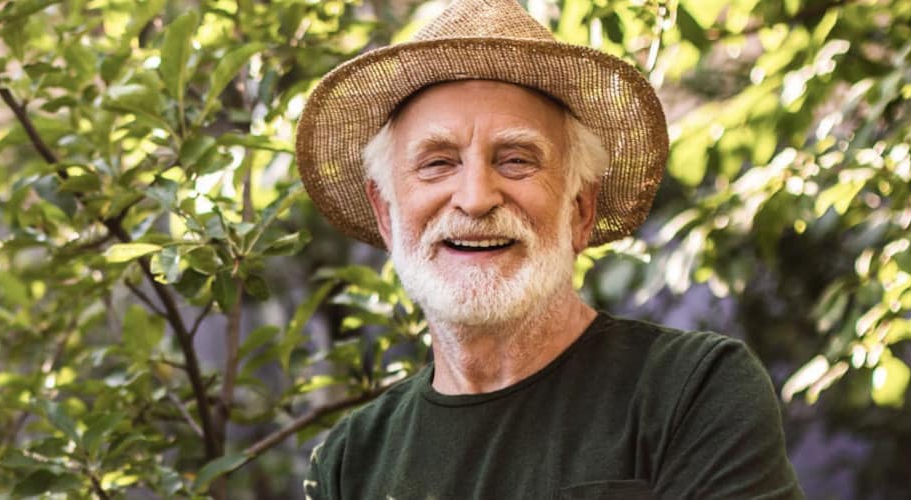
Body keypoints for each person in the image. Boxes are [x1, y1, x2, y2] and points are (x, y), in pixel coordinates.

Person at [292, 0, 803, 497]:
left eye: (516, 160)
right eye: (438, 163)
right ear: (386, 214)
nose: (475, 199)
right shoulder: (351, 460)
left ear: (580, 210)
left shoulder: (688, 389)